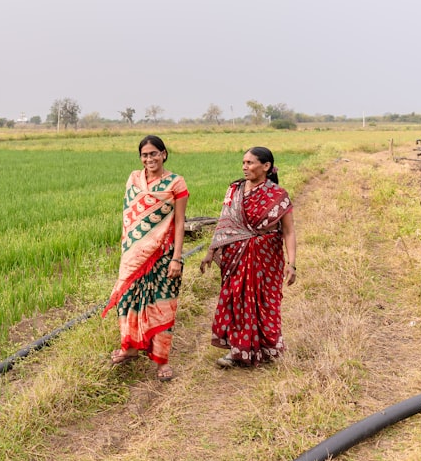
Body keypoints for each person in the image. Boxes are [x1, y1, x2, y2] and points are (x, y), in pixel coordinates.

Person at [199, 147, 296, 368]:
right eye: (243, 163)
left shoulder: (278, 195)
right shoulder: (234, 190)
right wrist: (211, 251)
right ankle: (238, 350)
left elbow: (289, 231)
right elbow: (224, 223)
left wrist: (292, 264)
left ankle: (267, 348)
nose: (245, 167)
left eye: (250, 163)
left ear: (266, 166)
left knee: (263, 301)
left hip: (266, 257)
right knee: (237, 300)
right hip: (236, 256)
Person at [102, 135, 188, 382]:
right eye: (144, 155)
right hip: (133, 254)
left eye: (153, 153)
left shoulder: (176, 183)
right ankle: (129, 347)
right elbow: (130, 218)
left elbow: (180, 222)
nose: (149, 158)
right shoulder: (134, 179)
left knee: (161, 304)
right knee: (127, 299)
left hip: (163, 254)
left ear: (164, 154)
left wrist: (177, 258)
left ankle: (161, 361)